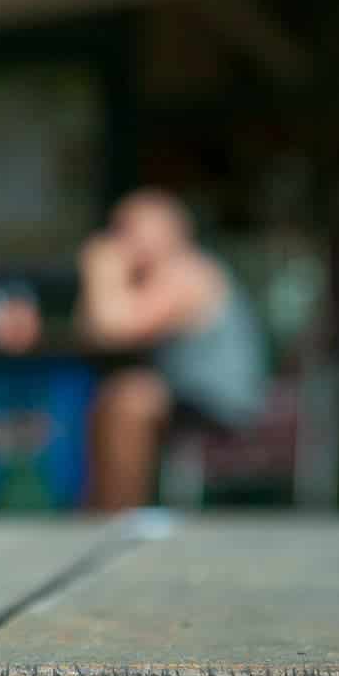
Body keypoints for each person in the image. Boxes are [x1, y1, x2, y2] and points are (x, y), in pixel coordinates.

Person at [79, 189, 267, 511]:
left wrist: (101, 271)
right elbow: (90, 329)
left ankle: (118, 516)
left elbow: (113, 329)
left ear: (167, 232)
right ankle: (100, 508)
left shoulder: (188, 273)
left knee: (131, 399)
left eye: (127, 229)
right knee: (113, 394)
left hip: (220, 404)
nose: (117, 239)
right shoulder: (152, 279)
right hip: (184, 397)